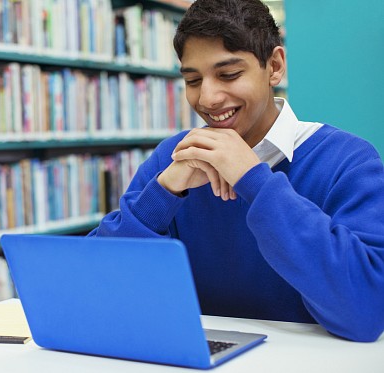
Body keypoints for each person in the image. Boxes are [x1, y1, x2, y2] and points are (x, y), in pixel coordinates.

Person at [88, 0, 384, 342]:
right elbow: (99, 286)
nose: (208, 98)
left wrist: (254, 181)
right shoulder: (172, 158)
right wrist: (164, 191)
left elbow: (366, 312)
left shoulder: (349, 161)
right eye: (193, 80)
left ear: (274, 66)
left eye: (229, 74)